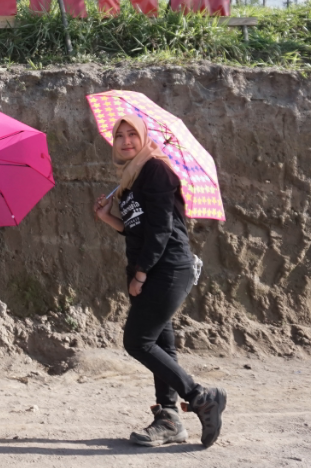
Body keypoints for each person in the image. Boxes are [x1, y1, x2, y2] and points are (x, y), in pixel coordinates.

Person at [93, 115, 227, 449]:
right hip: (154, 267)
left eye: (132, 134)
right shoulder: (132, 178)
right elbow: (137, 228)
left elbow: (162, 229)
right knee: (161, 346)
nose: (125, 141)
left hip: (167, 267)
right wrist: (108, 217)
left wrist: (141, 273)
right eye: (119, 135)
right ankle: (170, 419)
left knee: (137, 341)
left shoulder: (155, 170)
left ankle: (200, 396)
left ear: (144, 137)